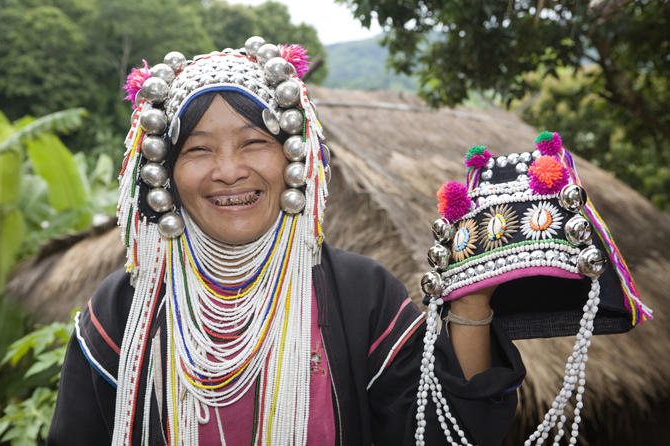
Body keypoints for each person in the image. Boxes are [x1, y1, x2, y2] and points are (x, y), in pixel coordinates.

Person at [47, 37, 525, 446]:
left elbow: (442, 434)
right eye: (198, 150)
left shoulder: (364, 296)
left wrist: (474, 301)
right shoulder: (120, 312)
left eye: (254, 142)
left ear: (296, 159)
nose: (229, 171)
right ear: (164, 176)